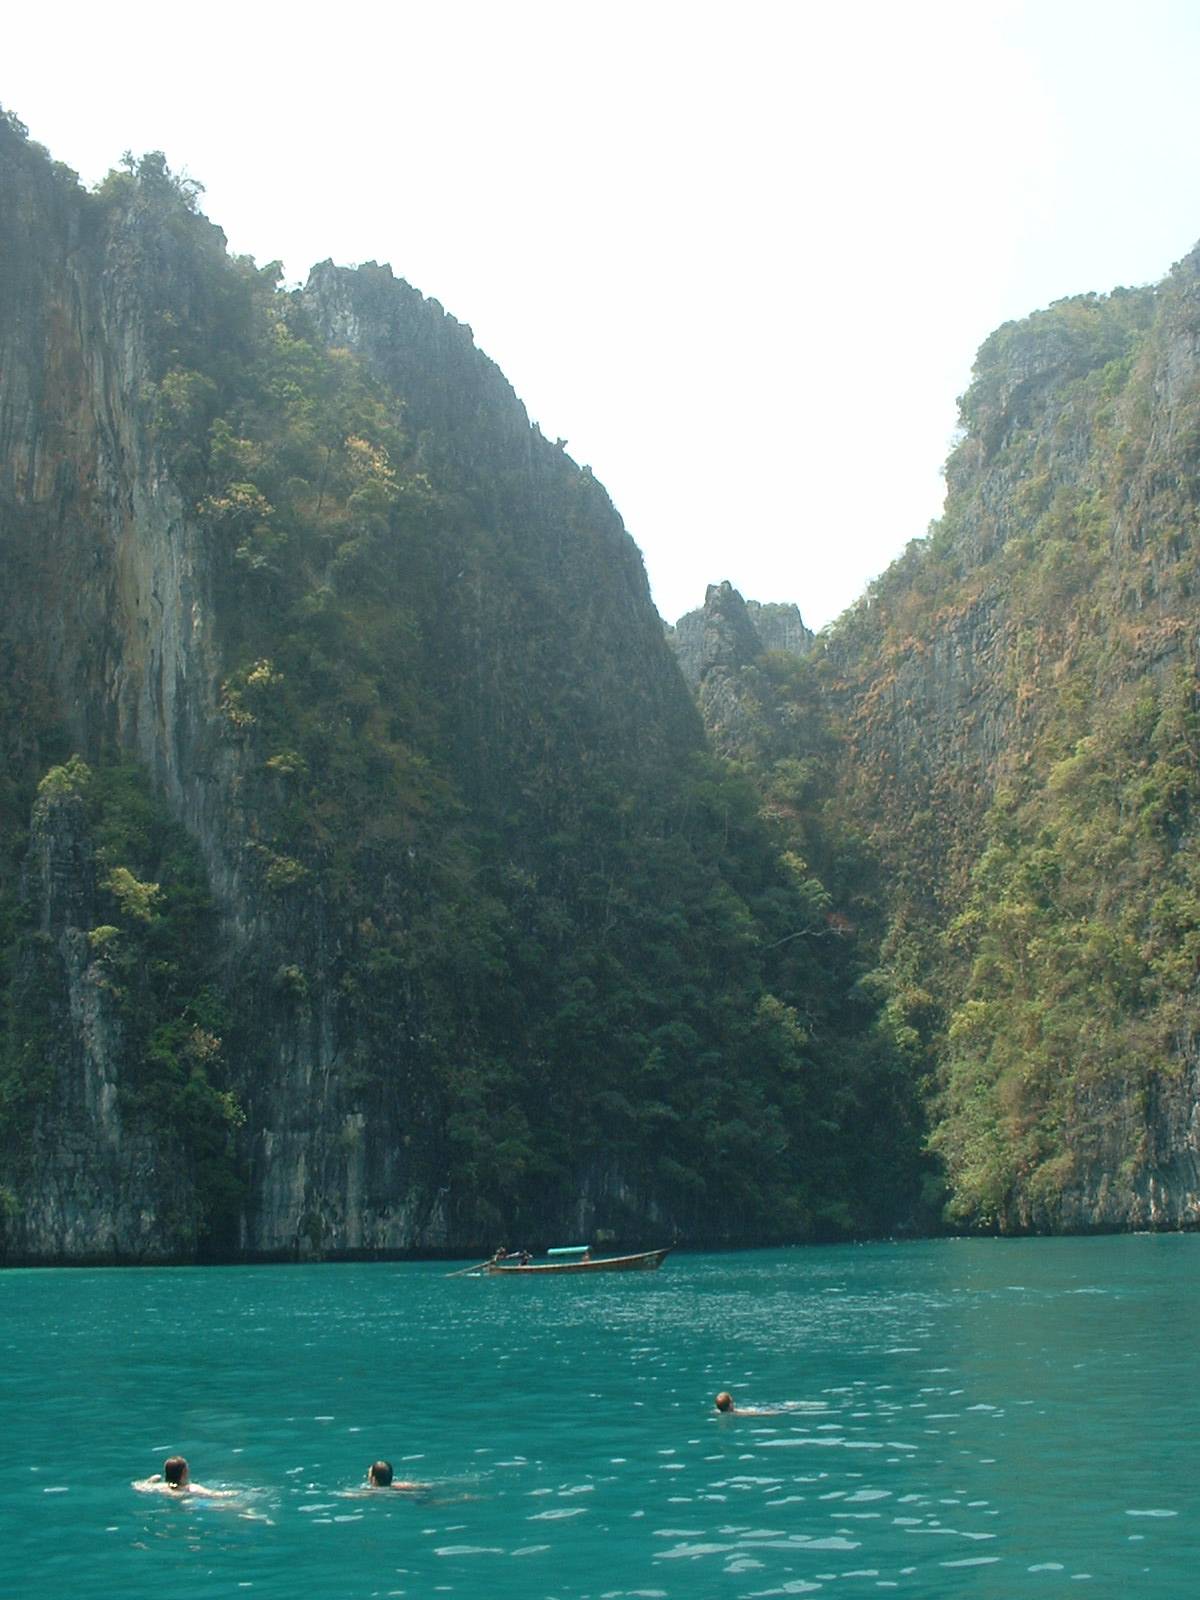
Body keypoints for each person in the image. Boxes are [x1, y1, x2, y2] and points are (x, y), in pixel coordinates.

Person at [133, 1455, 236, 1498]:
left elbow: (137, 1486)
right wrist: (233, 1493)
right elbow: (215, 1495)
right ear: (184, 1472)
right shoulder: (192, 1488)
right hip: (189, 1500)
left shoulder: (160, 1487)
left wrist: (150, 1480)